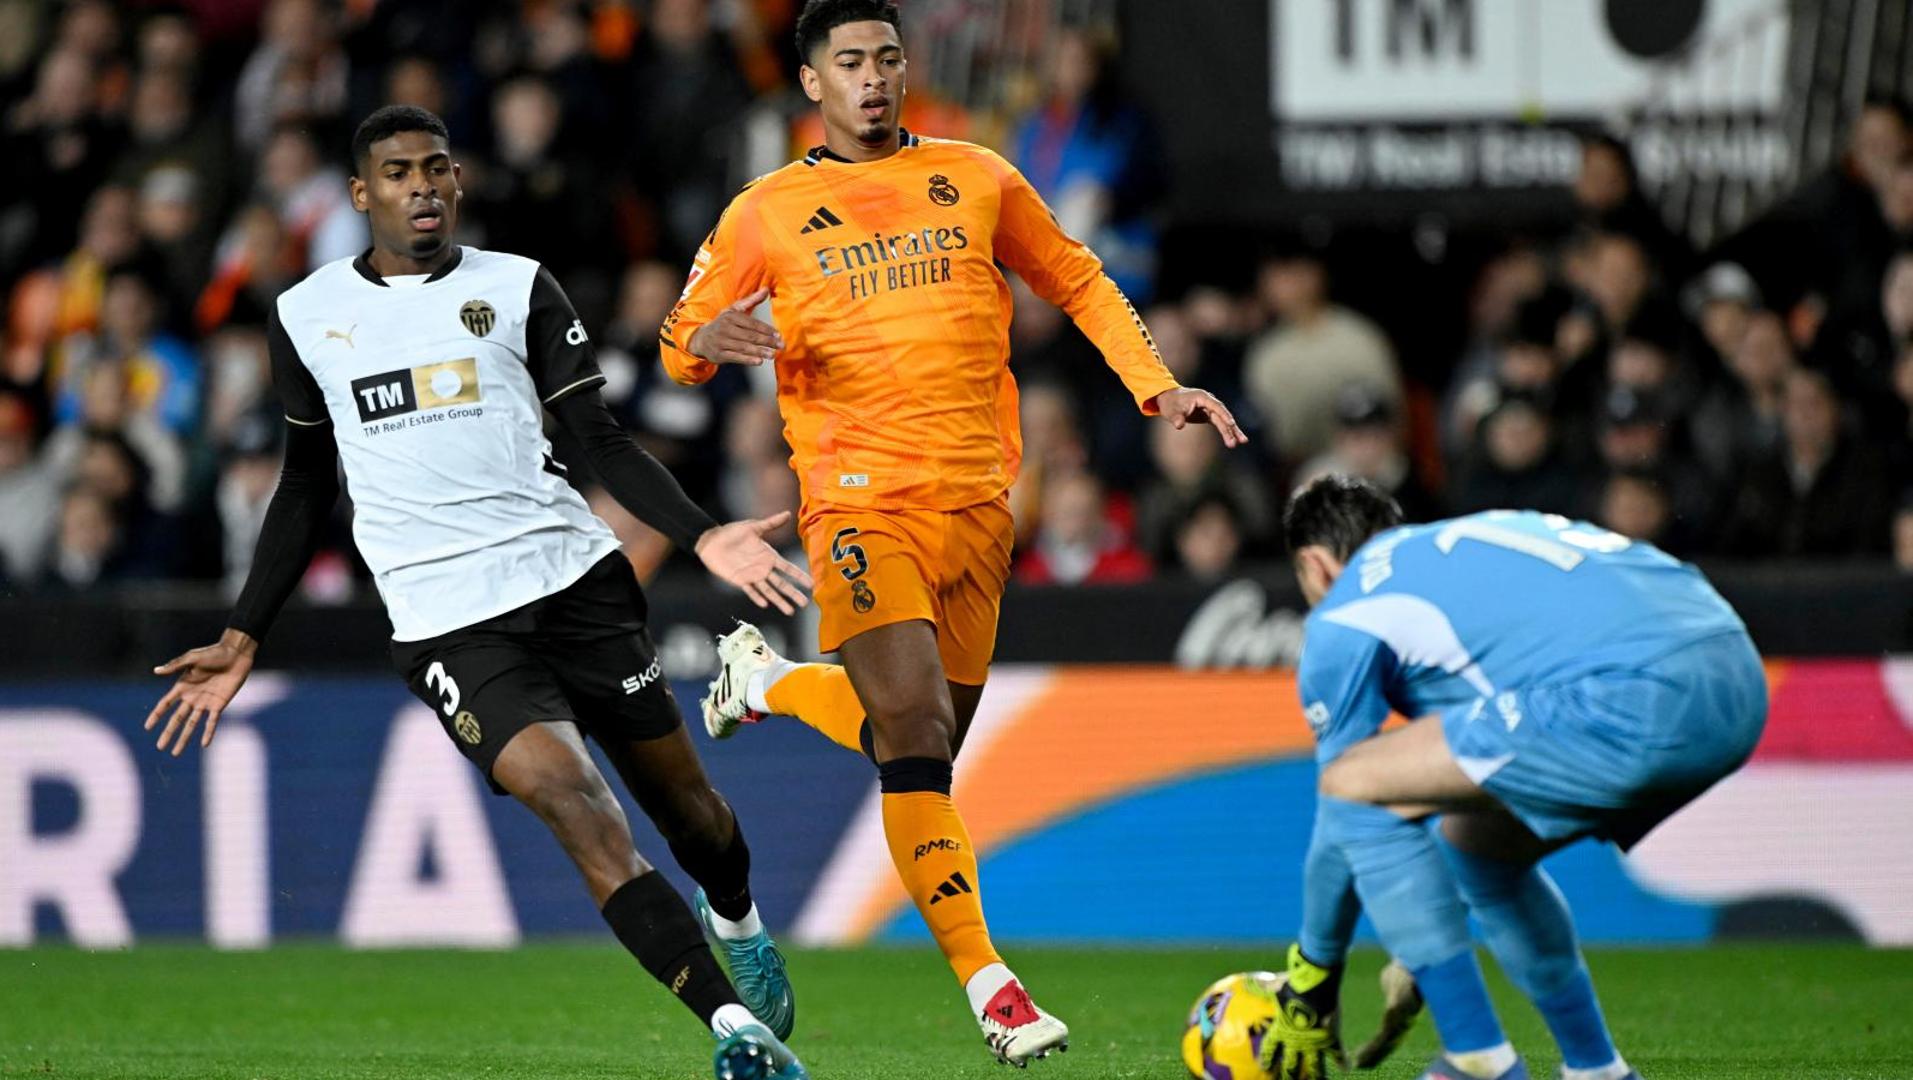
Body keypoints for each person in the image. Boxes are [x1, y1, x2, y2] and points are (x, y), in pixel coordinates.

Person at [139, 106, 811, 1080]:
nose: (422, 186)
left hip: (572, 582)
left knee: (690, 815)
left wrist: (700, 532)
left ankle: (737, 918)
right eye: (399, 172)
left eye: (437, 169)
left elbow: (597, 441)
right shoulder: (305, 313)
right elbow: (303, 484)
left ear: (457, 183)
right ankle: (728, 1028)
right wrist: (245, 633)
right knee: (572, 800)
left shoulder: (517, 287)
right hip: (445, 624)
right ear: (361, 193)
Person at [657, 0, 1243, 1064]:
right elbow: (675, 344)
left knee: (907, 741)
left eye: (886, 57)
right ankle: (991, 984)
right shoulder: (766, 211)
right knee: (917, 740)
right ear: (810, 84)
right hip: (855, 501)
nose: (872, 77)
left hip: (980, 508)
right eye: (849, 62)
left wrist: (1155, 389)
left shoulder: (976, 176)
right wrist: (707, 336)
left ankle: (768, 683)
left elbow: (1074, 274)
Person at [1259, 475, 1766, 1080]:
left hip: (1638, 693)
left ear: (1315, 566)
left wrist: (1313, 979)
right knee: (1478, 849)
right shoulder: (1475, 537)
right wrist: (1420, 940)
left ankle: (1477, 1057)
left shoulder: (1342, 613)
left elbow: (1346, 807)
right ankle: (1596, 1068)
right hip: (1738, 674)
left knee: (1354, 783)